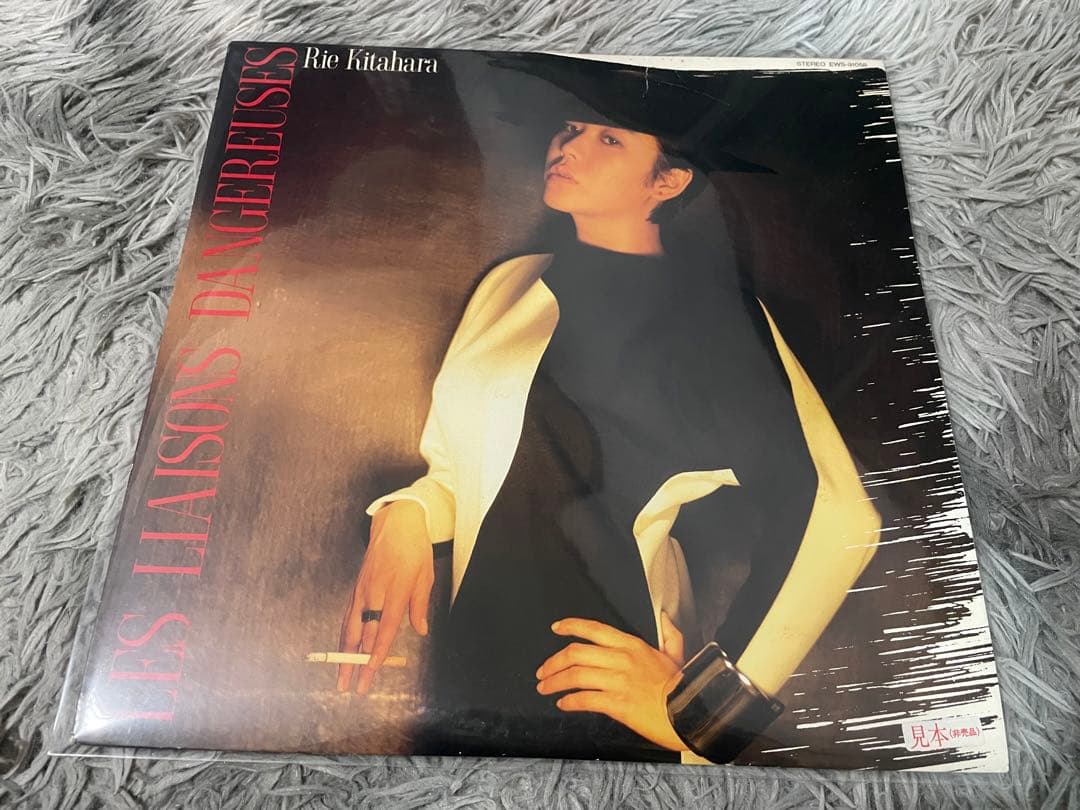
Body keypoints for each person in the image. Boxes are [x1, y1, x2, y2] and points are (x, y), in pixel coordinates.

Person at [337, 61, 881, 763]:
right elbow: (477, 468)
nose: (568, 146)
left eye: (609, 139)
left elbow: (836, 513)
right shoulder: (511, 283)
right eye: (570, 128)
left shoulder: (712, 319)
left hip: (603, 688)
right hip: (467, 670)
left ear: (667, 182)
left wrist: (710, 717)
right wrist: (409, 513)